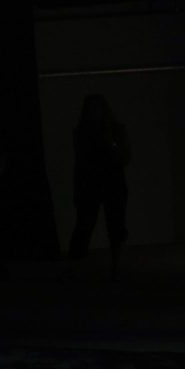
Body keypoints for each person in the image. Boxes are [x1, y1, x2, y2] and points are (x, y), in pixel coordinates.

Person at [67, 94, 130, 279]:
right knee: (85, 225)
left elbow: (125, 157)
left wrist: (111, 145)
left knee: (115, 225)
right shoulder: (82, 133)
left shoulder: (114, 130)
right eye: (90, 109)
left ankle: (116, 267)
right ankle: (76, 267)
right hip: (92, 184)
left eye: (96, 108)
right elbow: (80, 164)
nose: (94, 112)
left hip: (111, 182)